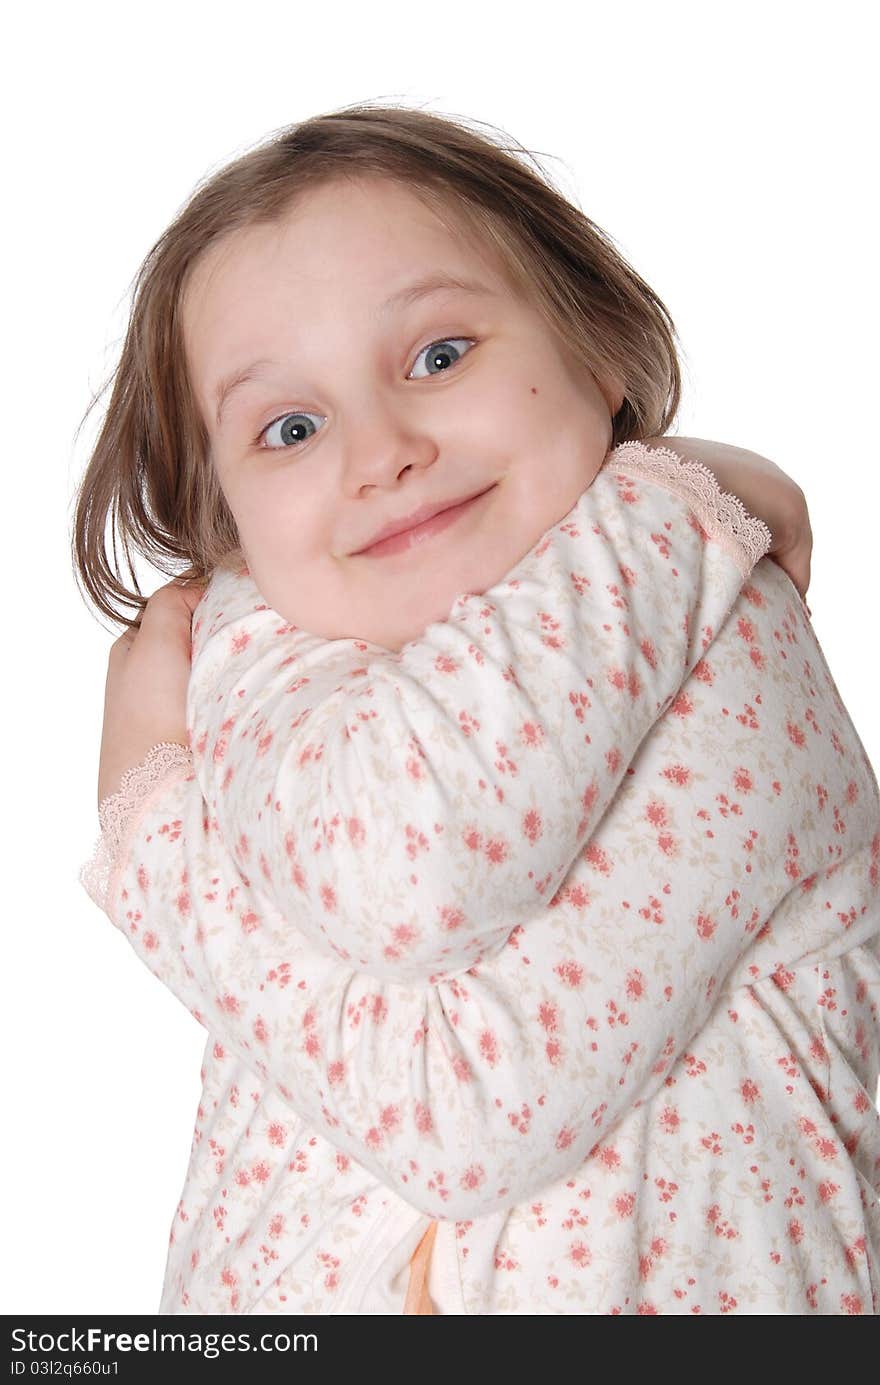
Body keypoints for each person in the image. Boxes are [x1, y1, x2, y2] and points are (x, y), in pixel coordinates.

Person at [74, 104, 877, 1314]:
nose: (381, 450)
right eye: (289, 427)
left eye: (439, 356)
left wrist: (153, 835)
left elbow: (464, 1092)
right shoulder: (261, 647)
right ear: (231, 533)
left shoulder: (733, 646)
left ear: (601, 347)